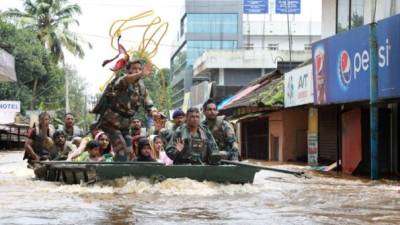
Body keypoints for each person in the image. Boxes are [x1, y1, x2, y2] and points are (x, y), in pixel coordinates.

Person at [93, 59, 158, 161]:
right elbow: (126, 80)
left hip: (125, 124)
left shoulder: (142, 88)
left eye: (140, 69)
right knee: (122, 150)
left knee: (128, 150)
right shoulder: (121, 79)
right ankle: (116, 175)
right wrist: (141, 73)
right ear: (129, 71)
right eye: (134, 68)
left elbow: (149, 104)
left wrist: (154, 112)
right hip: (110, 122)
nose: (137, 70)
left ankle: (111, 164)